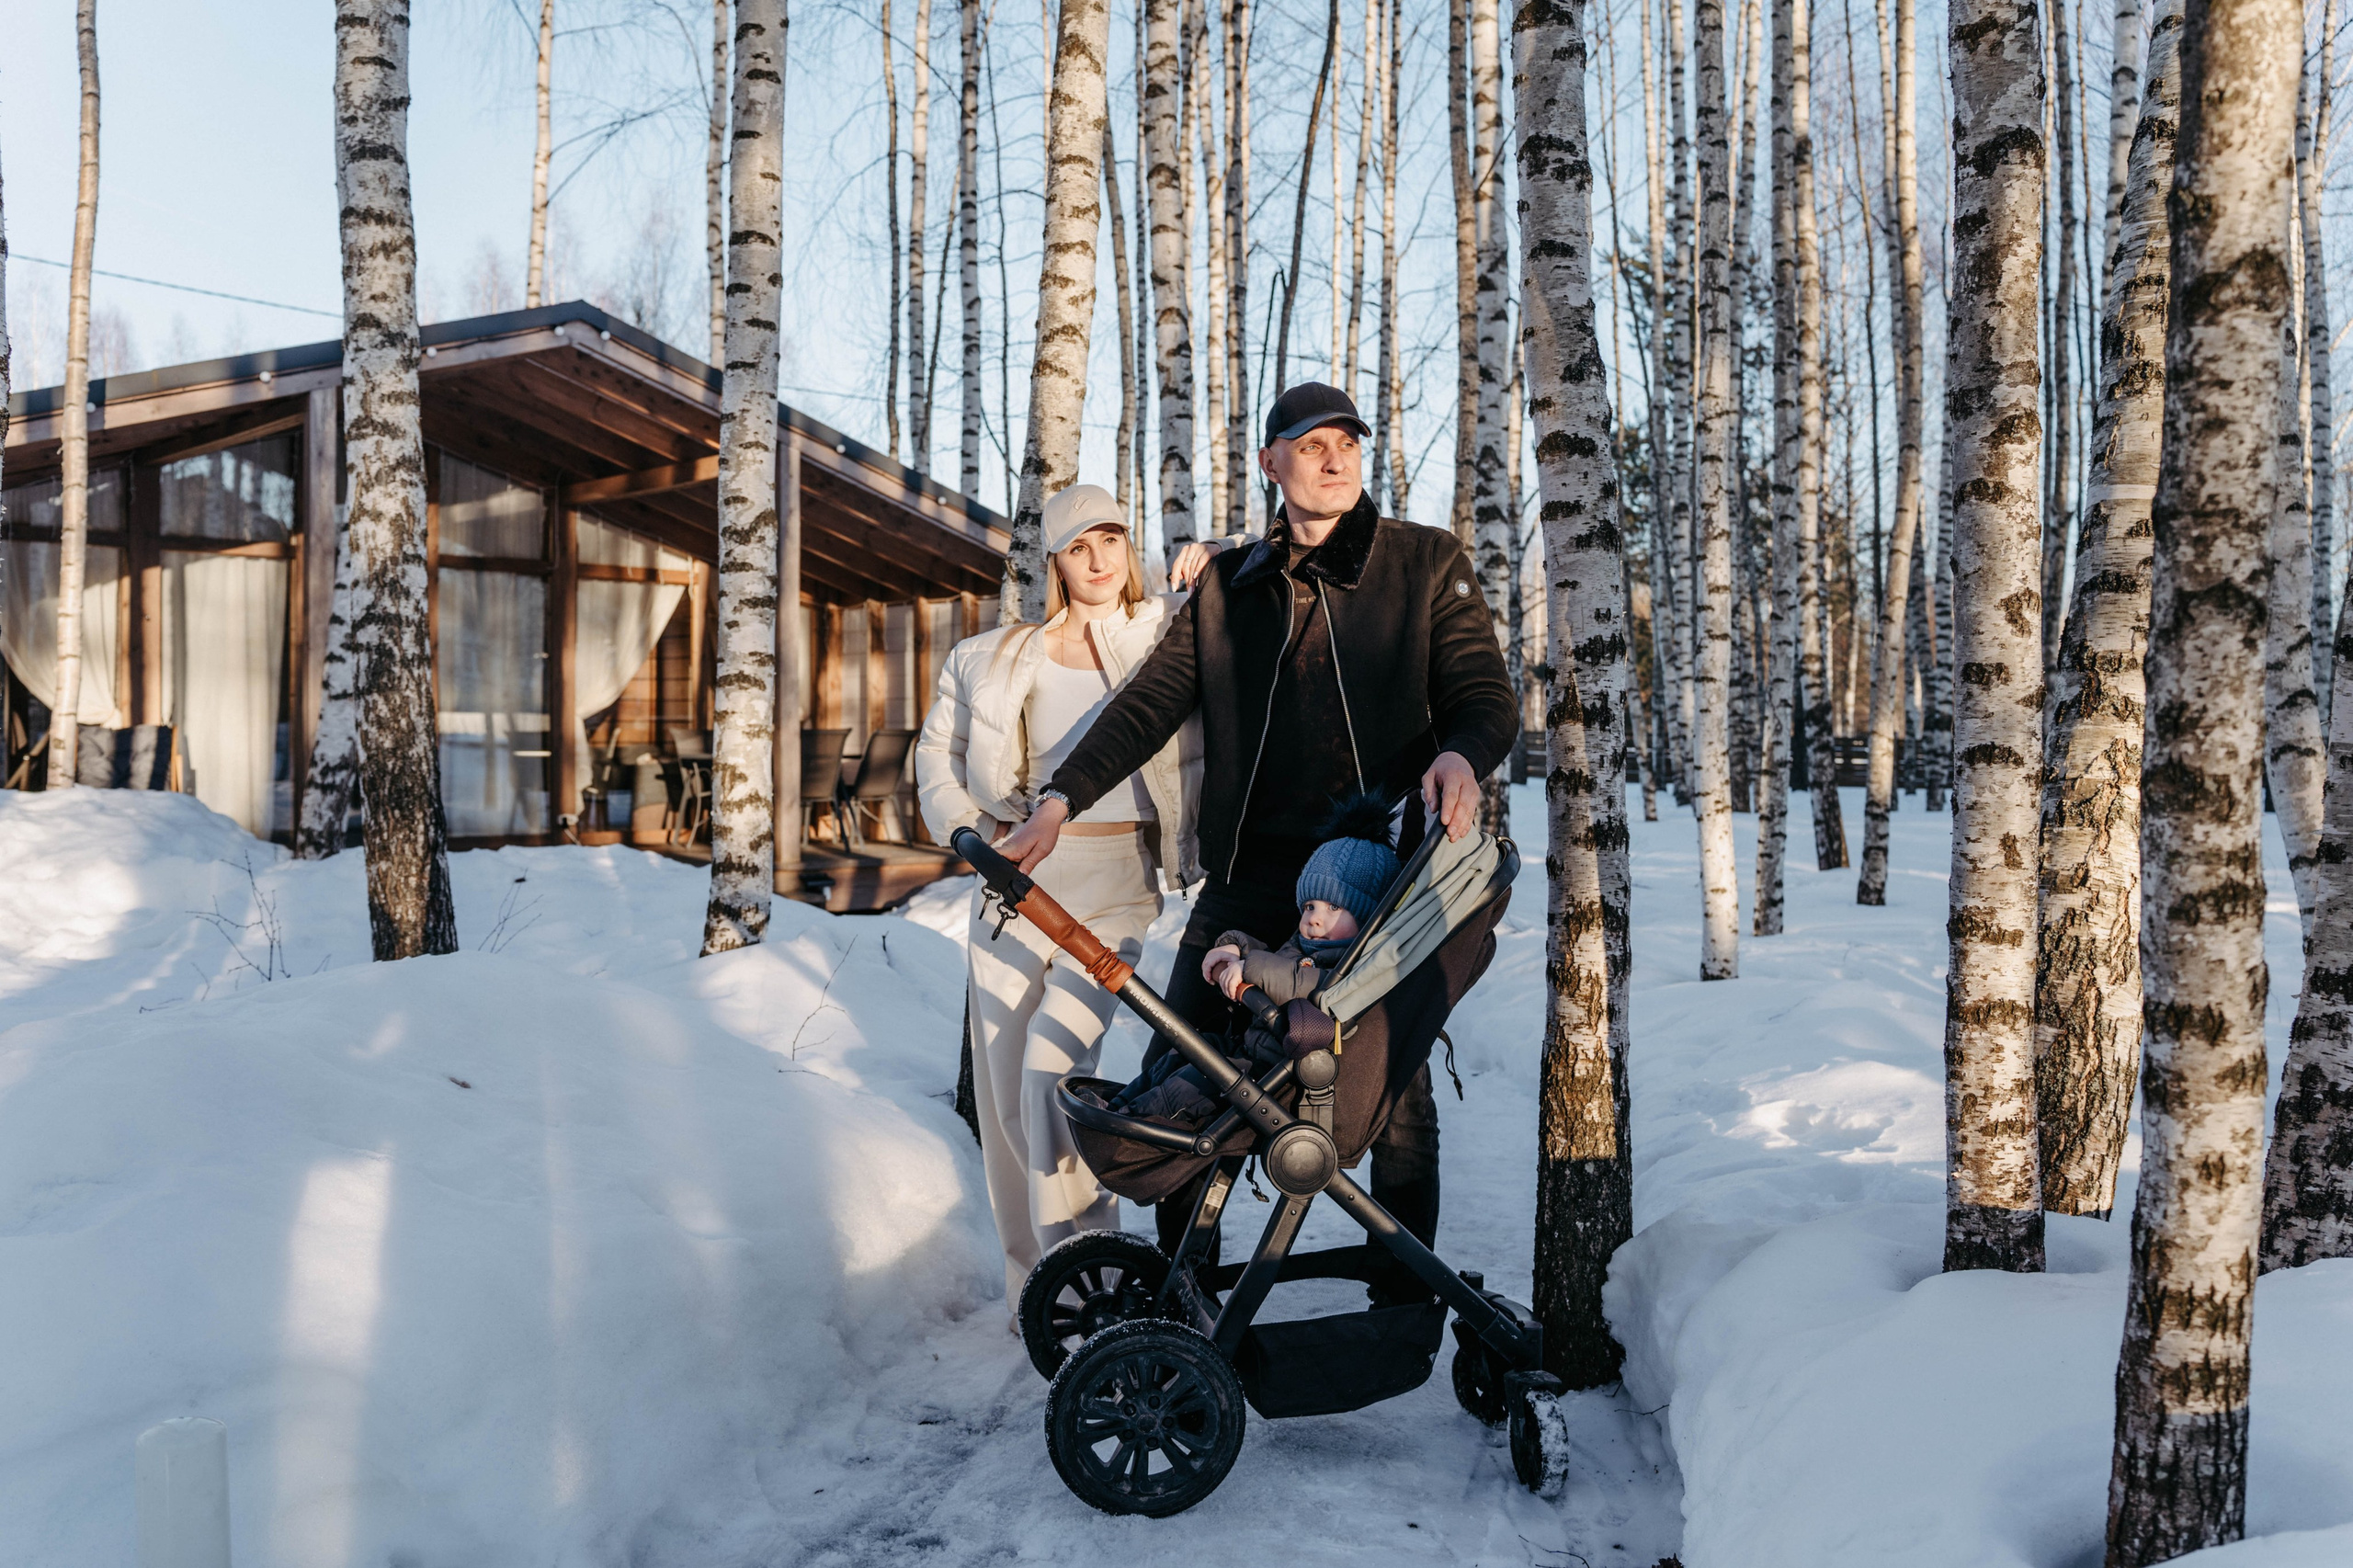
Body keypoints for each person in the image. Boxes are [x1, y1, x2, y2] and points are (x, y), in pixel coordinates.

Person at [995, 381, 1518, 1271]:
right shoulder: (1228, 588)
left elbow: (1484, 693)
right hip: (1249, 880)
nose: (1335, 459)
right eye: (1311, 445)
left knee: (1396, 1100)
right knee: (1180, 1077)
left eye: (1348, 442)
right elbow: (1145, 706)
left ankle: (1406, 1299)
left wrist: (1463, 755)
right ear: (1270, 462)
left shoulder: (1424, 560)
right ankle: (1184, 1295)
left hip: (1374, 882)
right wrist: (1057, 801)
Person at [915, 484, 1217, 1312]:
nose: (1098, 560)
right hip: (1015, 885)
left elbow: (1259, 576)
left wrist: (1216, 551)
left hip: (1114, 889)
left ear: (1129, 547)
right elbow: (936, 755)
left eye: (1111, 539)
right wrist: (969, 833)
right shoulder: (994, 655)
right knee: (1008, 1100)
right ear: (1054, 562)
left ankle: (1094, 1276)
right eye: (1078, 547)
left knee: (1053, 1074)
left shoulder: (1165, 631)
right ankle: (1037, 1288)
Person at [1117, 793, 1400, 1129]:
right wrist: (1235, 948)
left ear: (1366, 916)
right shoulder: (1305, 945)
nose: (1314, 918)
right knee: (1187, 1051)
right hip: (1250, 1052)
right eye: (1309, 906)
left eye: (1334, 908)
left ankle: (1130, 1121)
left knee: (1191, 1087)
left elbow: (1301, 983)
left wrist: (1250, 967)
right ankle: (1119, 1102)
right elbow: (1275, 958)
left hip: (1274, 1075)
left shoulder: (1351, 966)